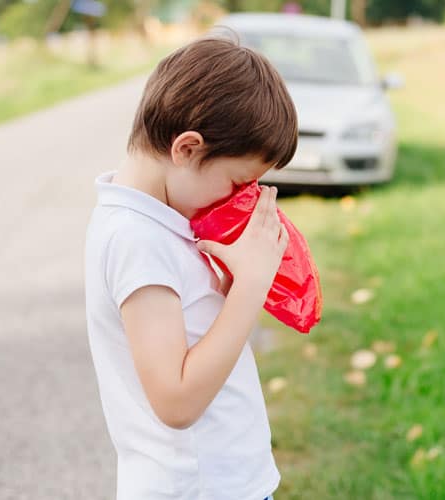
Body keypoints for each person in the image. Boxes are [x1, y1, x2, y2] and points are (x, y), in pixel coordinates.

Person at [83, 34, 298, 500]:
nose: (244, 196)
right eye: (238, 181)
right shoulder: (137, 239)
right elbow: (176, 400)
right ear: (187, 149)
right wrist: (251, 287)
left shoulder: (161, 223)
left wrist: (228, 284)